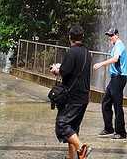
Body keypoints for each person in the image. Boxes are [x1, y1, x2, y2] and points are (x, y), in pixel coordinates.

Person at [50, 23, 92, 159]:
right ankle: (71, 157)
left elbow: (64, 71)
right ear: (82, 37)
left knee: (62, 125)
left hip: (72, 97)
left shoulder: (71, 52)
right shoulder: (87, 53)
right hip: (84, 97)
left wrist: (56, 70)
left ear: (70, 37)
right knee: (73, 128)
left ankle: (81, 148)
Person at [93, 28, 127, 140]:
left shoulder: (119, 45)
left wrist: (101, 64)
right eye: (109, 35)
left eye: (112, 35)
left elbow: (115, 59)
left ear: (117, 35)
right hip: (114, 78)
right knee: (106, 102)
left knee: (117, 105)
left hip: (119, 78)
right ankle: (109, 128)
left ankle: (121, 132)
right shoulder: (115, 45)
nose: (110, 38)